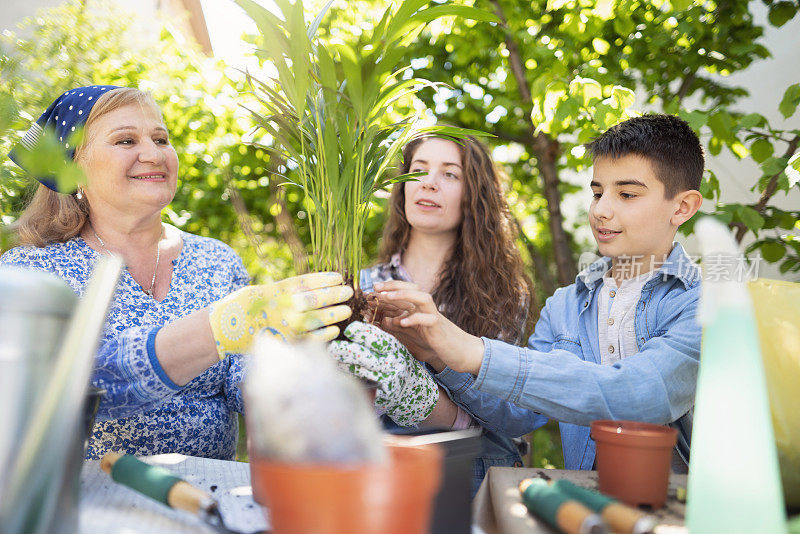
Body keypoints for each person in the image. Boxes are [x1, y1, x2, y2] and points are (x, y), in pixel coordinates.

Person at [1, 85, 352, 460]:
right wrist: (214, 329)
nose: (153, 154)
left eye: (161, 138)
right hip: (90, 505)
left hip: (211, 499)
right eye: (125, 141)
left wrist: (311, 364)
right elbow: (67, 390)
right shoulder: (31, 275)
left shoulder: (216, 260)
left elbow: (248, 386)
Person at [366, 114, 705, 473]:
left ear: (682, 207)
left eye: (627, 194)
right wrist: (436, 355)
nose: (601, 210)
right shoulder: (565, 306)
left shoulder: (702, 303)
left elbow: (641, 394)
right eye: (597, 193)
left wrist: (469, 350)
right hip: (584, 505)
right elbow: (517, 416)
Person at [329, 135, 546, 495]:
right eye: (418, 170)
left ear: (474, 195)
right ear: (401, 188)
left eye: (450, 175)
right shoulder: (362, 287)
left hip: (470, 475)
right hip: (375, 475)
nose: (428, 182)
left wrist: (434, 354)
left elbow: (507, 414)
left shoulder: (503, 293)